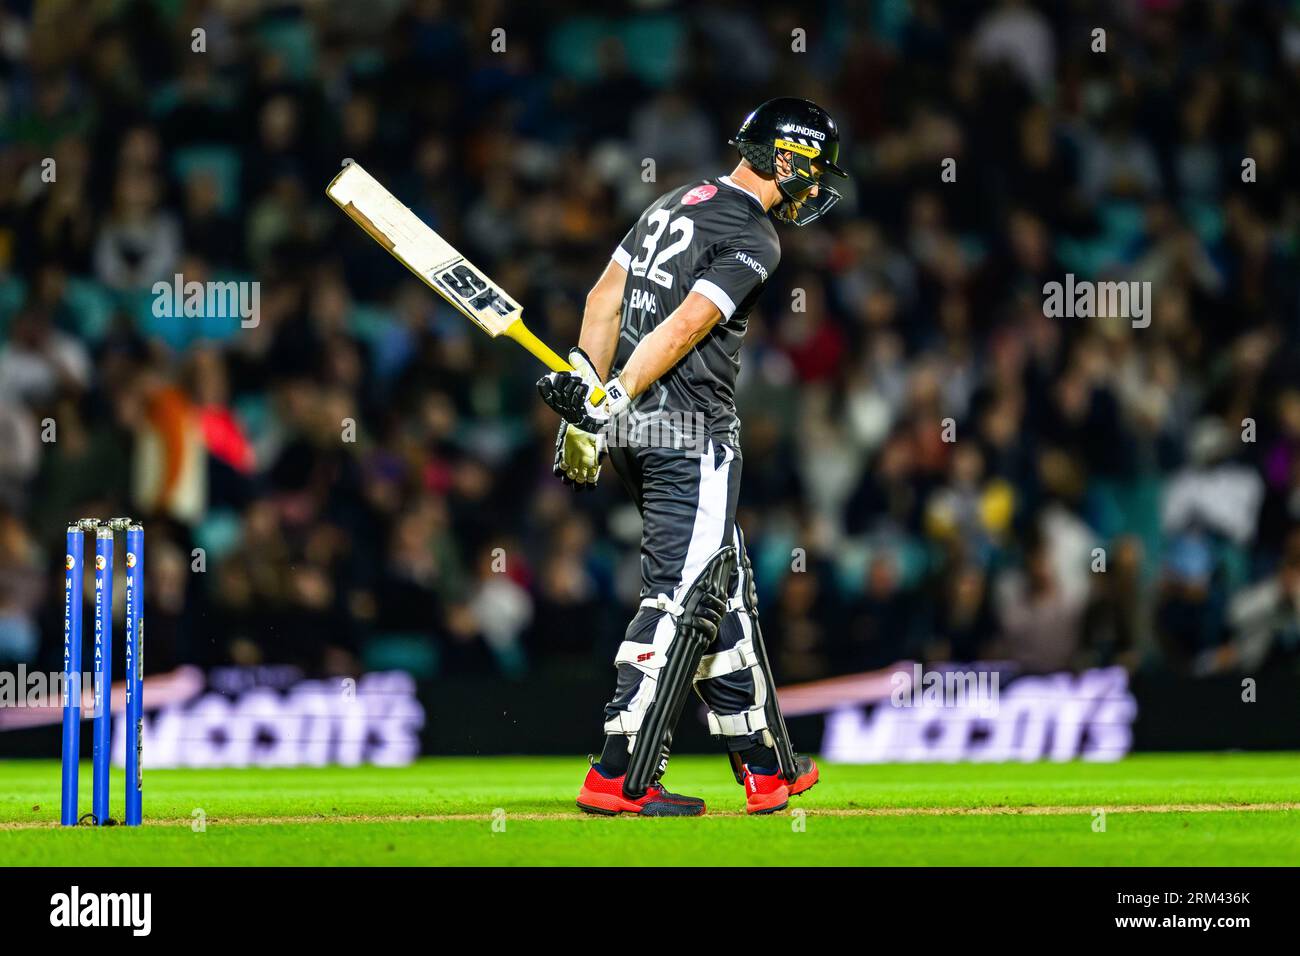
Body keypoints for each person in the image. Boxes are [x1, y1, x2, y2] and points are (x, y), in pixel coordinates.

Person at [538, 98, 847, 815]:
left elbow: (603, 297)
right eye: (816, 168)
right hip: (691, 433)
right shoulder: (753, 232)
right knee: (682, 597)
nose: (818, 185)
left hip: (638, 436)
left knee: (724, 589)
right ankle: (620, 773)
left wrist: (593, 398)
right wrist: (611, 394)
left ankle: (769, 765)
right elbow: (686, 326)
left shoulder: (672, 203)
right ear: (790, 158)